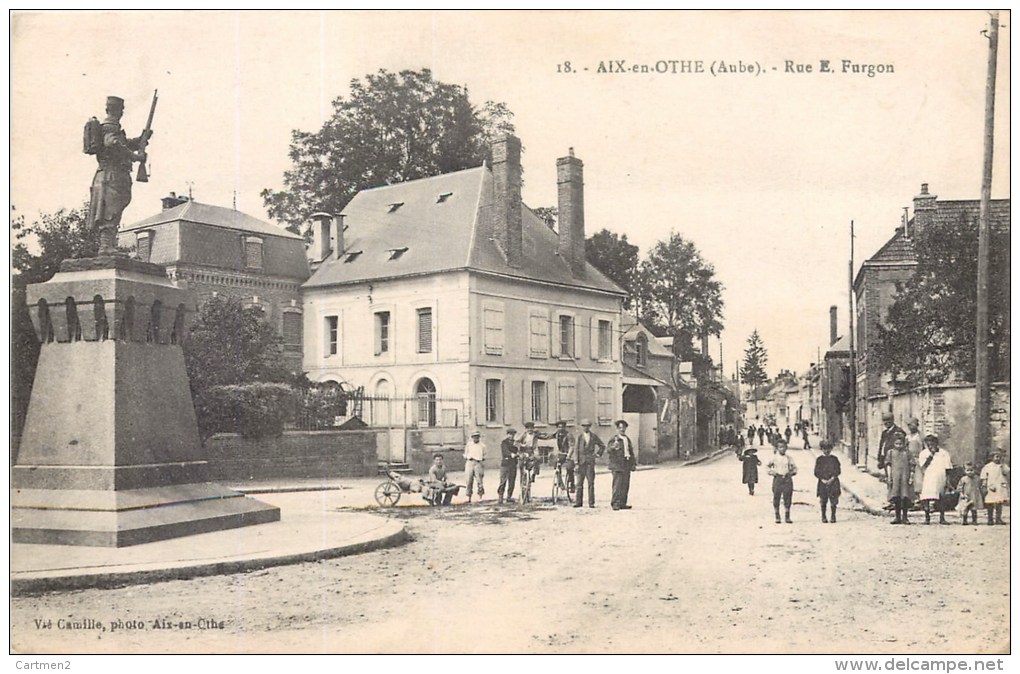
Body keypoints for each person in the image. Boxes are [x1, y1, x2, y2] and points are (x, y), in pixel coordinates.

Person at [88, 95, 152, 255]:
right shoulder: (111, 125)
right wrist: (135, 157)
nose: (122, 112)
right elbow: (113, 144)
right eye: (121, 109)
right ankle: (106, 247)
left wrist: (141, 139)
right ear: (117, 110)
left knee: (113, 209)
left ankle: (107, 245)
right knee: (111, 210)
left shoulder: (109, 126)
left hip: (108, 174)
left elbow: (121, 143)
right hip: (112, 175)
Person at [918, 435, 953, 525]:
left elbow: (948, 468)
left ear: (936, 443)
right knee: (926, 496)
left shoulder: (944, 453)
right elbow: (923, 467)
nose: (931, 446)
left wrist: (948, 481)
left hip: (940, 476)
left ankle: (942, 518)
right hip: (929, 477)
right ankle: (927, 518)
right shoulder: (923, 453)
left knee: (941, 497)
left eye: (932, 444)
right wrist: (931, 455)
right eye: (928, 445)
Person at [572, 419, 605, 508]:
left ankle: (591, 503)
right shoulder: (579, 437)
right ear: (582, 427)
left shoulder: (593, 436)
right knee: (579, 484)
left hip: (590, 463)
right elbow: (576, 450)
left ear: (589, 427)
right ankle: (579, 502)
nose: (585, 427)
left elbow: (602, 446)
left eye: (587, 426)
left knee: (590, 483)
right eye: (583, 426)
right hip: (580, 462)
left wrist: (598, 454)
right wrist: (576, 463)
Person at [606, 419, 636, 510]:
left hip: (626, 464)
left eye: (623, 428)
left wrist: (633, 464)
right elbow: (608, 450)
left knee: (625, 484)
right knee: (617, 485)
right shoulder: (614, 439)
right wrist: (613, 447)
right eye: (620, 428)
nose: (622, 430)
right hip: (617, 465)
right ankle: (615, 503)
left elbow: (630, 452)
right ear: (617, 429)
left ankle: (623, 503)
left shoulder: (627, 439)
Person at [886, 431, 915, 524]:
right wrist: (889, 476)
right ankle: (897, 517)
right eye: (896, 444)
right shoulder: (890, 453)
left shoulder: (907, 453)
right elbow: (888, 465)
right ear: (893, 443)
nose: (898, 446)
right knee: (896, 497)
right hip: (895, 478)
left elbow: (912, 465)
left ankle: (905, 517)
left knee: (905, 498)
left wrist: (911, 477)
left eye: (900, 444)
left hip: (905, 478)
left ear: (904, 443)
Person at [768, 439, 797, 523]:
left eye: (784, 447)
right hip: (778, 479)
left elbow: (794, 468)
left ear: (786, 448)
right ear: (777, 448)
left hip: (787, 479)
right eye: (780, 447)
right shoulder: (774, 458)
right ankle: (777, 515)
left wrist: (791, 473)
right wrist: (772, 472)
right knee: (776, 496)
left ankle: (787, 516)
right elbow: (767, 466)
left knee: (787, 496)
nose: (782, 449)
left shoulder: (789, 458)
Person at [814, 440, 841, 523]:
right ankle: (823, 516)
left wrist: (832, 479)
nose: (826, 451)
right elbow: (816, 472)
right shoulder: (819, 459)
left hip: (833, 482)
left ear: (831, 449)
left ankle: (833, 515)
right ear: (821, 449)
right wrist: (823, 479)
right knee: (823, 500)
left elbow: (838, 470)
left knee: (833, 500)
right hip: (822, 482)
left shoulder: (834, 459)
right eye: (824, 449)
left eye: (828, 449)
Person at [980, 451, 1010, 526]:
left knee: (999, 503)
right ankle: (990, 519)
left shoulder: (1003, 466)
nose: (998, 458)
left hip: (1000, 486)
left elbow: (1006, 473)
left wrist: (1002, 465)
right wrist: (984, 485)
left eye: (1000, 457)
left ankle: (998, 518)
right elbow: (984, 477)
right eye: (996, 456)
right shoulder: (988, 466)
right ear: (992, 457)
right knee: (990, 502)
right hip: (991, 486)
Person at [550, 420, 575, 492]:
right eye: (559, 427)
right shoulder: (556, 434)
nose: (560, 428)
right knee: (556, 465)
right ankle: (560, 482)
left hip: (568, 454)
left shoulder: (569, 435)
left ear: (565, 427)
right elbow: (547, 436)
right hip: (560, 454)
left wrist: (569, 455)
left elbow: (572, 446)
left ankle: (572, 484)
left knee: (570, 468)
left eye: (562, 427)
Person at [877, 412, 904, 479]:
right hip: (885, 458)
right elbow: (882, 446)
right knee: (888, 478)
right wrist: (880, 458)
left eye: (888, 420)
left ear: (892, 420)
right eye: (884, 420)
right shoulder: (884, 432)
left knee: (894, 478)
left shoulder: (898, 431)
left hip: (894, 459)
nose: (886, 422)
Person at [463, 429, 486, 504]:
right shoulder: (469, 444)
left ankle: (480, 496)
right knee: (469, 480)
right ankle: (469, 497)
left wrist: (481, 461)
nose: (476, 438)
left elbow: (484, 455)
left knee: (479, 481)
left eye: (477, 437)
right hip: (470, 462)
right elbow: (465, 453)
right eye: (474, 437)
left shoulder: (482, 445)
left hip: (478, 462)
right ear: (472, 437)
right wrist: (468, 457)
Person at [497, 427, 518, 505]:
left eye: (512, 434)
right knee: (503, 481)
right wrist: (511, 454)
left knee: (512, 481)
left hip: (513, 464)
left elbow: (519, 449)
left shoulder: (516, 443)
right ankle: (500, 497)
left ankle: (509, 497)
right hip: (505, 465)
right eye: (510, 434)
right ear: (507, 434)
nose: (511, 436)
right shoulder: (504, 442)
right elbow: (505, 451)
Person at [905, 418, 925, 499]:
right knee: (909, 479)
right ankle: (910, 499)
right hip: (909, 460)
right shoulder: (908, 436)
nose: (910, 427)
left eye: (912, 425)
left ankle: (918, 499)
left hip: (918, 459)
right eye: (909, 425)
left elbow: (924, 448)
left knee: (918, 479)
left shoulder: (920, 436)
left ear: (917, 425)